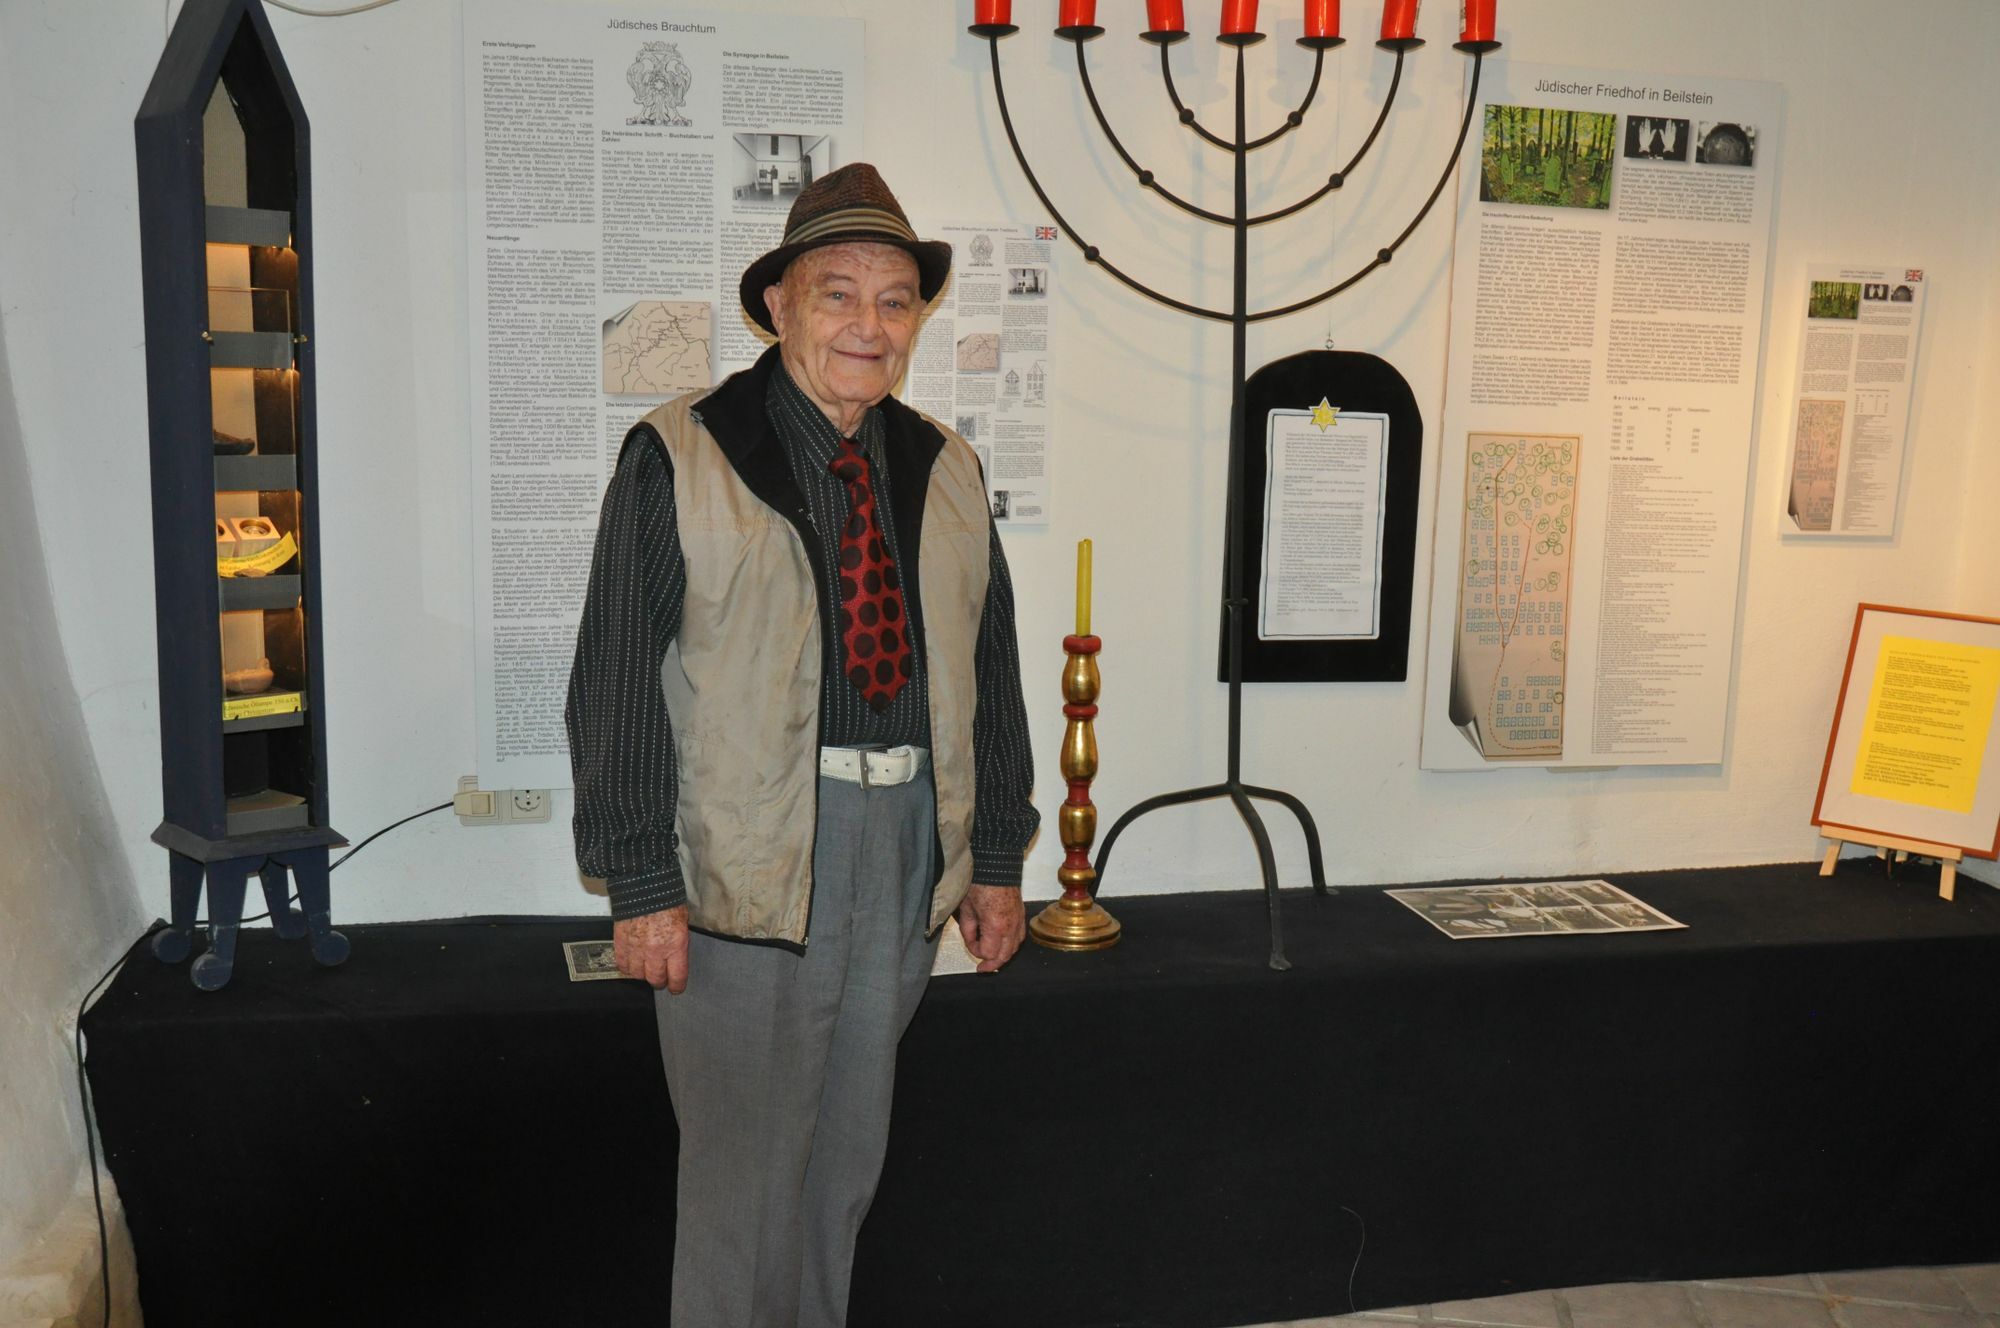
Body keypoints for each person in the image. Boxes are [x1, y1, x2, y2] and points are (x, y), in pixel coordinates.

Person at [564, 162, 1039, 1327]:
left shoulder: (945, 467)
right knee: (744, 1186)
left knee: (841, 1170)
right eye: (838, 294)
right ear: (777, 305)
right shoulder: (679, 454)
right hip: (751, 861)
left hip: (901, 849)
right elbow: (612, 679)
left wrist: (994, 857)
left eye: (894, 300)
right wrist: (640, 880)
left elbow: (990, 672)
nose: (868, 324)